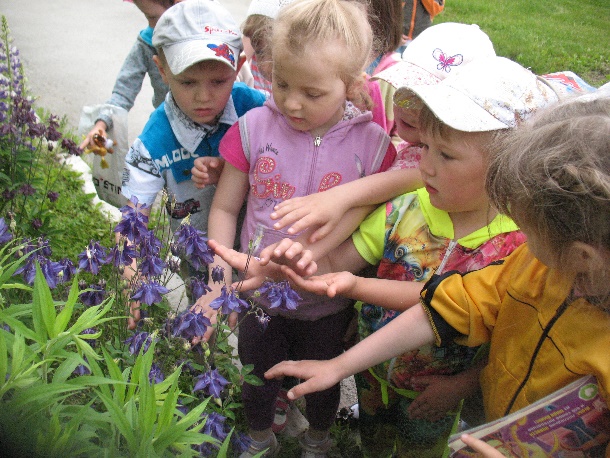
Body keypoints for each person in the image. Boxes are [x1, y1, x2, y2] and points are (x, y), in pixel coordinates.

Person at [210, 56, 559, 457]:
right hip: (371, 374)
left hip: (438, 391)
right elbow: (334, 265)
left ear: (506, 169)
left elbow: (505, 337)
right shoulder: (403, 210)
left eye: (445, 156)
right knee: (373, 443)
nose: (422, 165)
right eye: (425, 146)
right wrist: (290, 264)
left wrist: (462, 386)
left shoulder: (521, 248)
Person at [264, 94, 610, 457]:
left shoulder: (524, 256)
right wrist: (339, 366)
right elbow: (443, 307)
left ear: (581, 257)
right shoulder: (532, 267)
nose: (523, 236)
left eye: (529, 228)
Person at [190, 0, 395, 455]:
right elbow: (225, 209)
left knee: (322, 383)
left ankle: (318, 439)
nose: (292, 102)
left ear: (352, 85)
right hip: (258, 297)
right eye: (282, 83)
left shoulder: (373, 146)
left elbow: (375, 214)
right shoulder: (254, 128)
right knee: (257, 378)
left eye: (313, 92)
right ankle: (260, 438)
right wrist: (220, 277)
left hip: (327, 302)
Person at [267, 22, 496, 245]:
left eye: (426, 102)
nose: (408, 108)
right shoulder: (410, 147)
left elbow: (392, 185)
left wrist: (338, 197)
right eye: (405, 92)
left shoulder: (429, 164)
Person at [118, 0, 266, 328]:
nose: (203, 97)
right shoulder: (153, 139)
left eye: (218, 81)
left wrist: (232, 170)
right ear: (162, 70)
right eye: (187, 82)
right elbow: (132, 216)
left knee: (256, 330)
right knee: (201, 325)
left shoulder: (255, 108)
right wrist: (131, 272)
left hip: (254, 248)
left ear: (239, 64)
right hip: (197, 255)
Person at [79, 0, 175, 150]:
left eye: (156, 18)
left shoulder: (208, 35)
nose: (153, 27)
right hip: (167, 128)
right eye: (148, 18)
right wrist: (102, 123)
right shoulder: (147, 44)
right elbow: (123, 91)